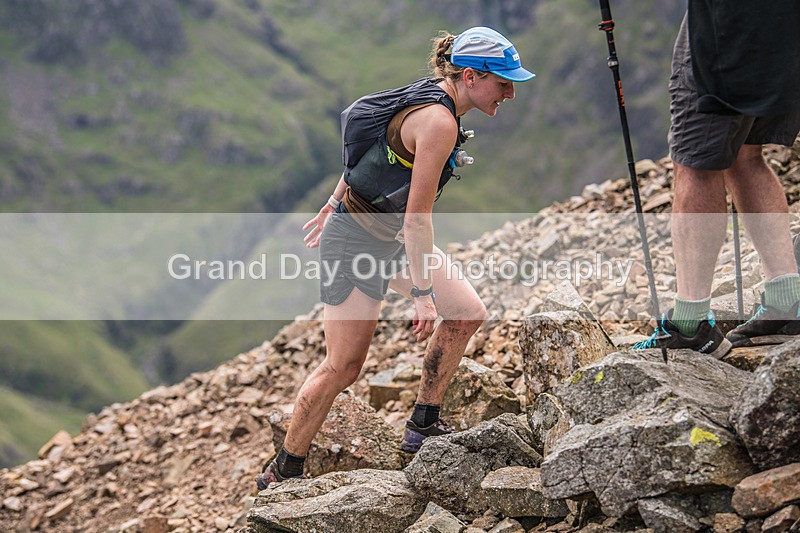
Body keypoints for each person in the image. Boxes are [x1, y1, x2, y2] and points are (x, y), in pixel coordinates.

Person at [255, 26, 535, 488]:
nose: (509, 93)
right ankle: (283, 470)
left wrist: (332, 198)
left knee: (465, 314)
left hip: (381, 234)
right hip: (357, 242)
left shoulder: (433, 95)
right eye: (503, 83)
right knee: (343, 366)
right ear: (469, 76)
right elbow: (417, 219)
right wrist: (422, 294)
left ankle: (422, 424)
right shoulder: (440, 122)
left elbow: (372, 151)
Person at [635, 1, 800, 356]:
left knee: (696, 161)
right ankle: (788, 303)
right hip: (786, 24)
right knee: (745, 151)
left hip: (729, 21)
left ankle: (691, 325)